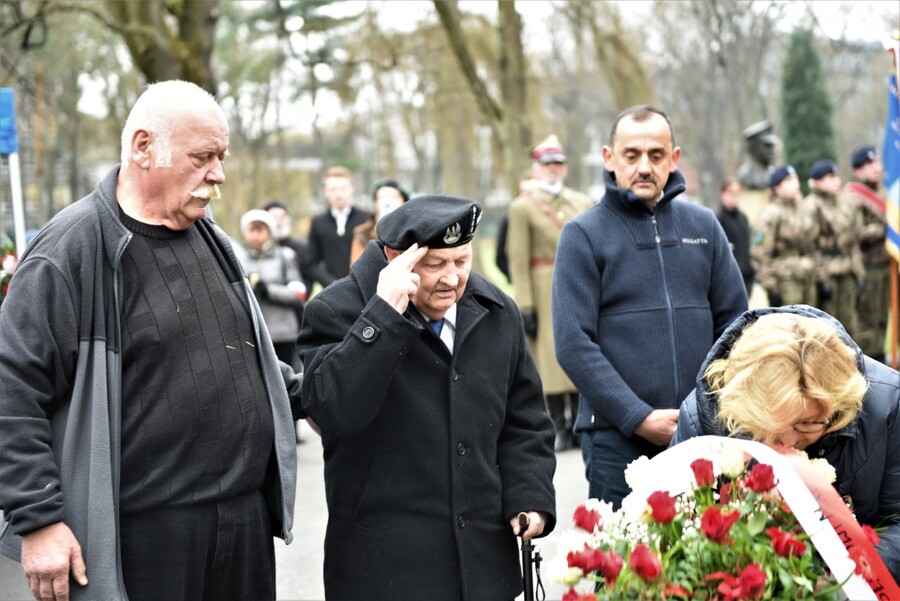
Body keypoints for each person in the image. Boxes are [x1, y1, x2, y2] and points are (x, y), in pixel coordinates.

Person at [0, 80, 303, 601]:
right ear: (143, 147)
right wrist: (38, 517)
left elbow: (248, 364)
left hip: (242, 526)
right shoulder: (71, 249)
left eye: (222, 157)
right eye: (203, 157)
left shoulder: (212, 237)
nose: (219, 174)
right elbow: (11, 388)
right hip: (143, 538)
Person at [297, 194, 557, 600]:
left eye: (462, 261)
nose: (452, 279)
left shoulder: (496, 311)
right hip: (387, 570)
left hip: (482, 565)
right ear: (394, 258)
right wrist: (383, 315)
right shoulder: (336, 310)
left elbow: (525, 420)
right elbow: (333, 411)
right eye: (435, 265)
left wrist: (530, 496)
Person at [552, 104, 747, 509]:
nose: (644, 166)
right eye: (632, 155)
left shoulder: (704, 227)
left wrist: (707, 409)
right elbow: (574, 344)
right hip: (615, 439)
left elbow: (737, 328)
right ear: (609, 158)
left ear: (674, 159)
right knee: (625, 551)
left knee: (711, 549)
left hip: (703, 434)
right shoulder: (582, 235)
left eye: (656, 155)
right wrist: (638, 417)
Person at [671, 305, 900, 583]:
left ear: (839, 406)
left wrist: (838, 577)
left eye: (808, 424)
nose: (790, 442)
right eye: (772, 428)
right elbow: (673, 529)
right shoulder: (702, 416)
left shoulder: (888, 406)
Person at [507, 135, 592, 451]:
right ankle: (557, 425)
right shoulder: (522, 207)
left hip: (579, 282)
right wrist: (525, 303)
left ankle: (581, 423)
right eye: (547, 164)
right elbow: (518, 259)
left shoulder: (582, 202)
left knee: (582, 349)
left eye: (558, 163)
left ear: (565, 168)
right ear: (536, 168)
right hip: (543, 287)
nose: (553, 169)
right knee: (548, 357)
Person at [234, 209, 307, 367]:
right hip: (253, 334)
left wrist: (269, 290)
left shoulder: (285, 256)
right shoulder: (237, 258)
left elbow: (298, 295)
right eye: (251, 230)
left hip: (284, 334)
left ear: (270, 231)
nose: (255, 235)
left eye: (260, 230)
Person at [801, 159, 863, 334]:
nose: (836, 180)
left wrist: (859, 272)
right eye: (830, 177)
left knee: (849, 327)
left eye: (836, 176)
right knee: (828, 330)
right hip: (827, 274)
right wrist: (821, 278)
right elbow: (809, 247)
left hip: (846, 271)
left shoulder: (843, 203)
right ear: (817, 181)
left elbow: (852, 241)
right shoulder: (811, 206)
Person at [843, 144, 891, 363]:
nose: (876, 167)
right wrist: (882, 229)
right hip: (866, 267)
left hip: (886, 265)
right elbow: (851, 234)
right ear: (858, 170)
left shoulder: (884, 191)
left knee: (882, 319)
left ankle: (882, 360)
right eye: (869, 164)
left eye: (877, 162)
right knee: (867, 322)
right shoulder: (853, 197)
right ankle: (869, 365)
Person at [750, 165, 817, 307]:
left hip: (806, 279)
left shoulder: (798, 211)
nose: (796, 184)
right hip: (785, 282)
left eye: (796, 179)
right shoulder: (770, 213)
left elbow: (810, 241)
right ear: (776, 187)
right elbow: (759, 254)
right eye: (789, 180)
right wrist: (771, 288)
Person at [307, 166, 370, 288]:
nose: (337, 193)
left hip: (362, 286)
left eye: (342, 188)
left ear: (351, 189)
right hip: (331, 289)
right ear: (326, 192)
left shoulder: (365, 219)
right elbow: (312, 263)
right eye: (332, 189)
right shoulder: (318, 223)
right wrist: (331, 283)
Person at [349, 177, 410, 265]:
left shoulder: (411, 233)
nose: (388, 201)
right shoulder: (363, 234)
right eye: (383, 197)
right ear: (376, 202)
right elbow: (357, 267)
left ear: (404, 202)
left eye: (394, 197)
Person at [263, 199, 319, 295]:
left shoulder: (300, 249)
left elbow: (308, 282)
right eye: (274, 217)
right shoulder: (253, 251)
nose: (279, 221)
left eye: (283, 216)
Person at [495, 167, 537, 282]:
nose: (525, 197)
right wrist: (518, 278)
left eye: (530, 193)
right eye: (523, 192)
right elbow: (500, 257)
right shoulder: (509, 219)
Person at [716, 177, 756, 297]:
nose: (735, 196)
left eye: (737, 192)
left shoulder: (743, 218)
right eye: (731, 192)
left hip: (747, 276)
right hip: (729, 278)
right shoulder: (718, 220)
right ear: (723, 194)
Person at [735, 120, 780, 191]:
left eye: (772, 146)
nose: (771, 151)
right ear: (754, 148)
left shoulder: (775, 174)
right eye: (767, 146)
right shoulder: (744, 175)